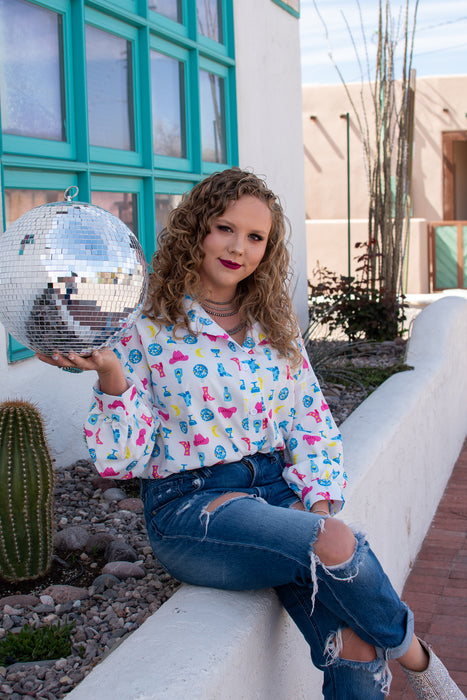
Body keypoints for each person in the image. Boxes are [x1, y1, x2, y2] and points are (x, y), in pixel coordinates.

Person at [38, 168, 465, 700]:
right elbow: (121, 460)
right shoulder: (142, 324)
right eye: (225, 228)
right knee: (337, 541)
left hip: (275, 497)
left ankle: (389, 645)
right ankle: (418, 660)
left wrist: (319, 507)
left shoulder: (272, 325)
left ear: (268, 247)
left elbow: (310, 422)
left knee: (353, 638)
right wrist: (111, 376)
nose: (239, 247)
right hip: (193, 508)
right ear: (196, 229)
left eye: (256, 237)